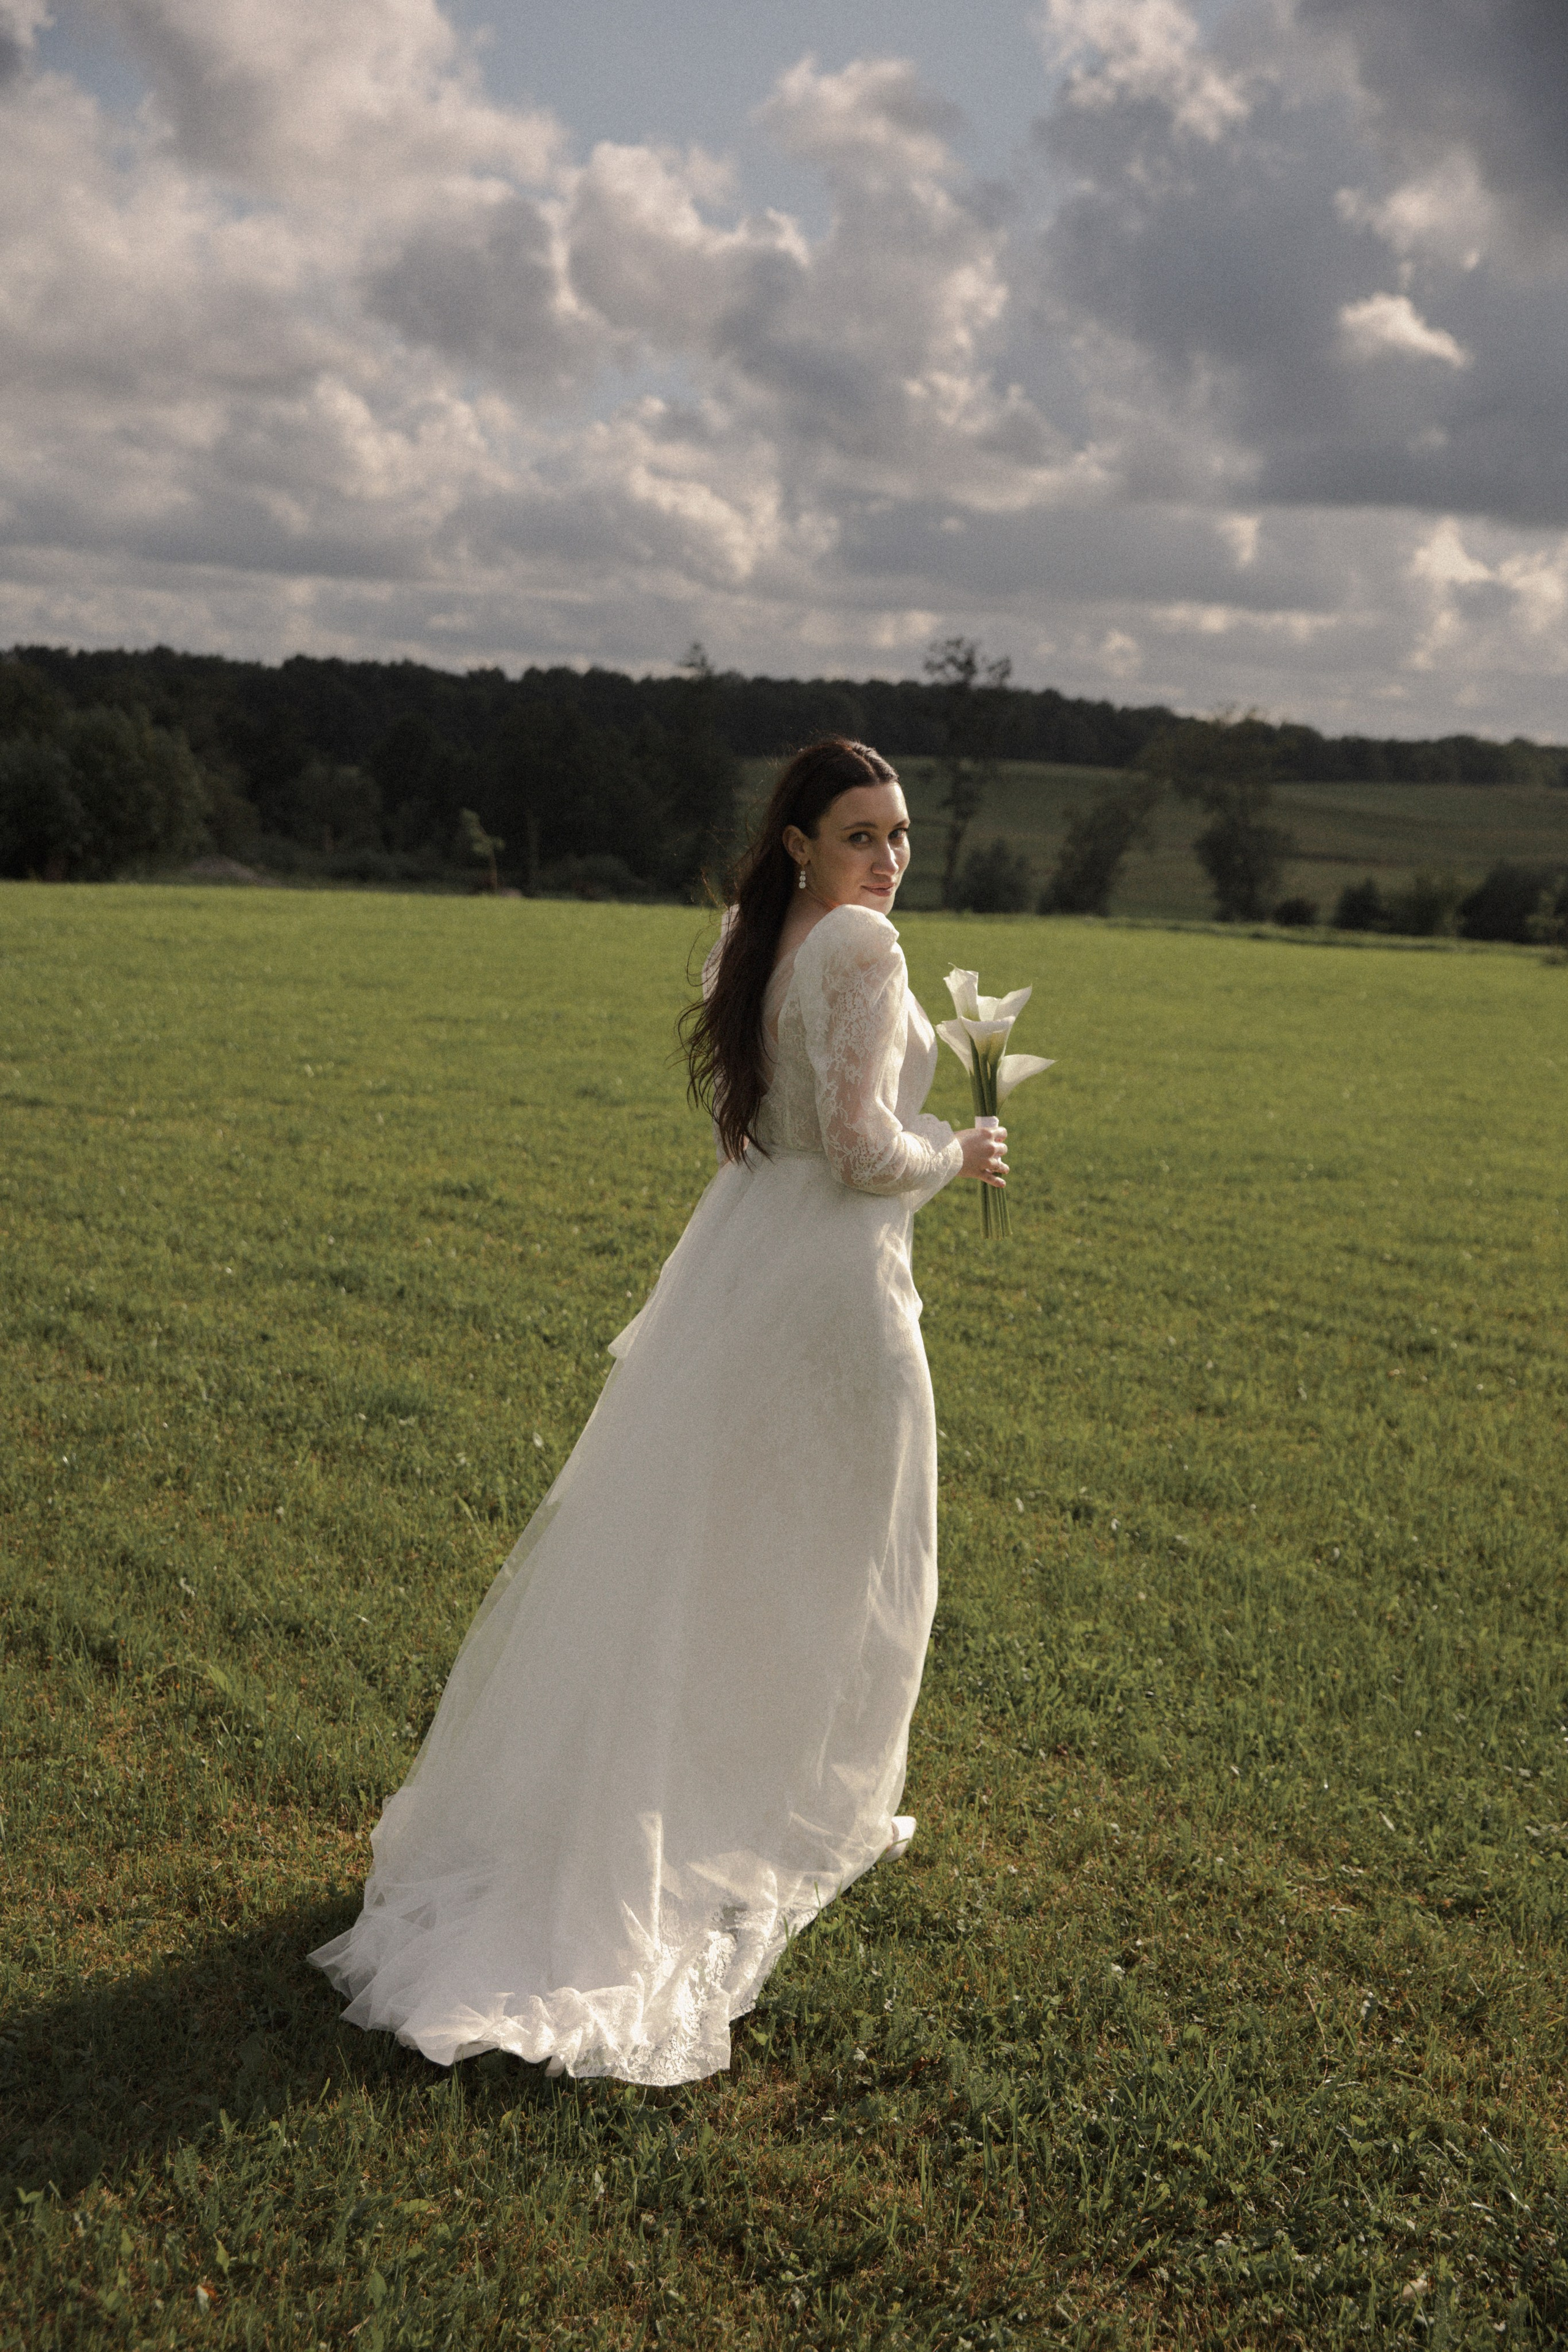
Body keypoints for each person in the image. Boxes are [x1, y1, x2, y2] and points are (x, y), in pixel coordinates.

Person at [309, 737, 1009, 2085]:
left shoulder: (757, 937)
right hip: (826, 1299)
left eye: (900, 835)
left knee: (714, 1549)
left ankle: (680, 1786)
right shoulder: (859, 953)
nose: (888, 860)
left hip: (751, 1266)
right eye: (860, 834)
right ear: (799, 838)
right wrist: (959, 1151)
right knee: (825, 1555)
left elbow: (750, 1139)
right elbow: (863, 1153)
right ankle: (752, 1801)